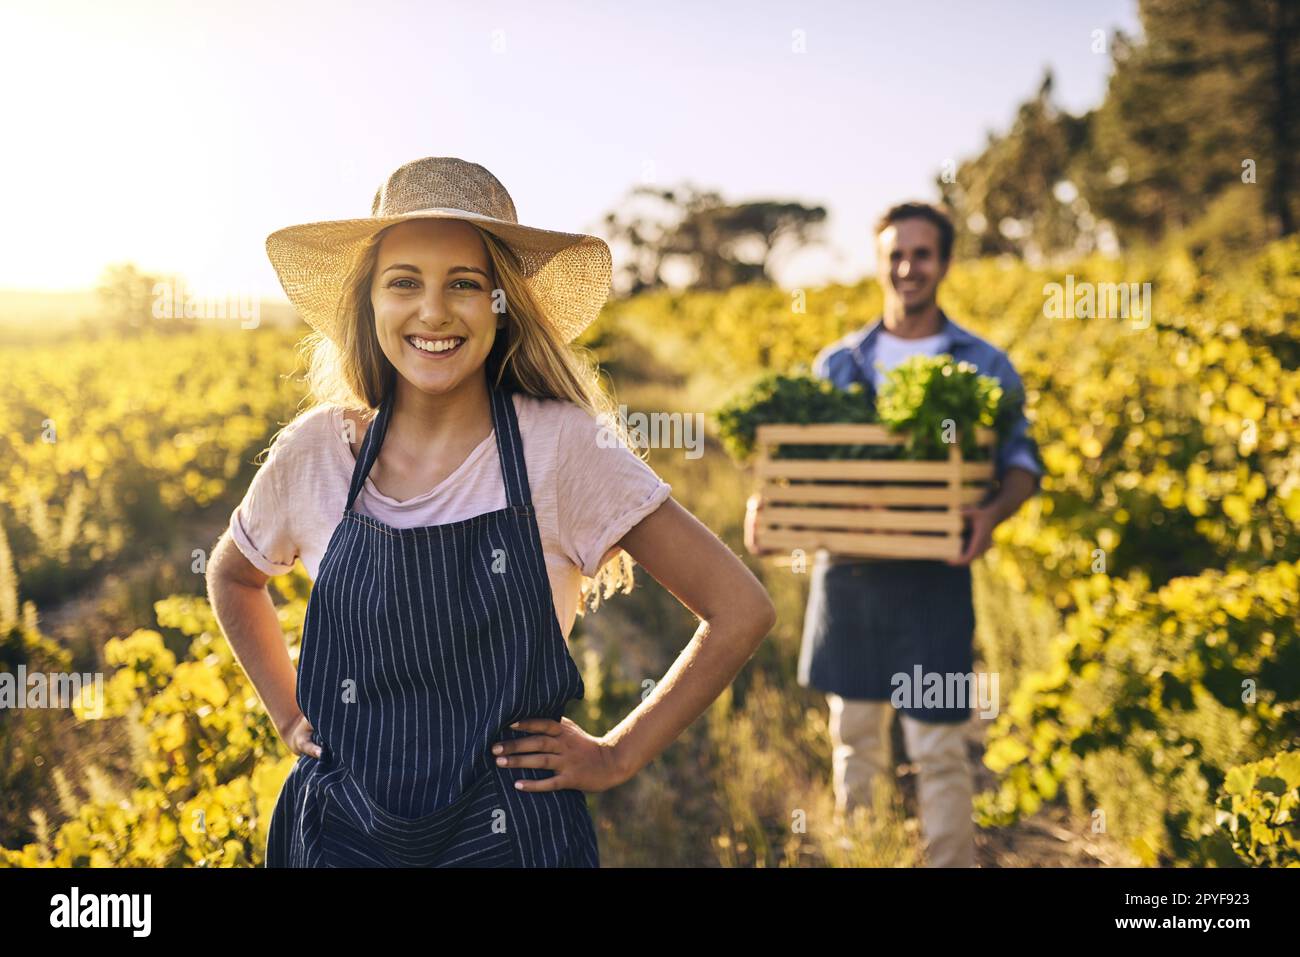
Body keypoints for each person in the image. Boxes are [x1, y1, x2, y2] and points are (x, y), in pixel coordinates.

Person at [206, 156, 776, 867]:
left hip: (511, 838)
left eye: (465, 284)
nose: (434, 310)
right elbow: (232, 576)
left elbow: (740, 607)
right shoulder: (317, 449)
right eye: (404, 282)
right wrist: (289, 714)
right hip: (341, 836)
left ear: (502, 303)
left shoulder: (561, 448)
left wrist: (617, 755)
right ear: (370, 303)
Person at [745, 201, 1043, 867]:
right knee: (855, 738)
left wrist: (989, 518)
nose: (908, 266)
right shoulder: (840, 363)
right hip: (848, 576)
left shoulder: (983, 363)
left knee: (938, 743)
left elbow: (1023, 461)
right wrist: (768, 504)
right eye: (896, 254)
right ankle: (865, 853)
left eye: (922, 254)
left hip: (935, 575)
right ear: (881, 262)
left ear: (944, 262)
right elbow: (802, 464)